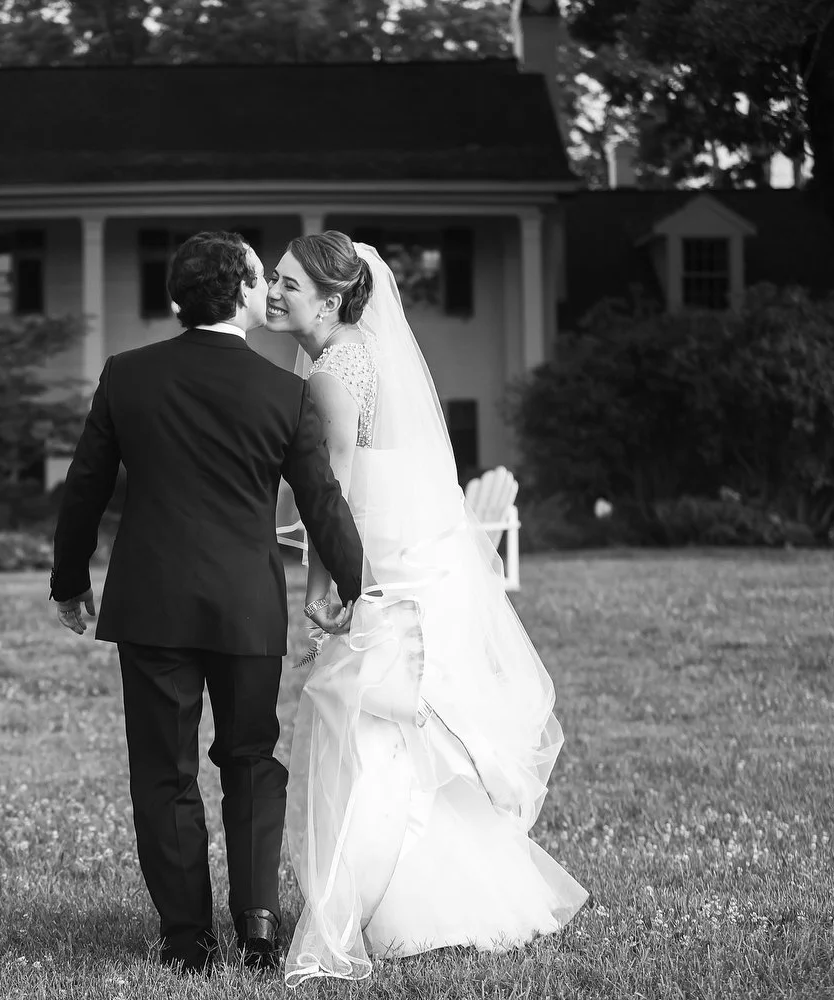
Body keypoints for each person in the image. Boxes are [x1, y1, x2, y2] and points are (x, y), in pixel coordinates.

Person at [264, 231, 588, 986]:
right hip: (406, 567)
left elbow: (329, 495)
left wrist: (319, 594)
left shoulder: (335, 372)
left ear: (332, 297)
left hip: (378, 581)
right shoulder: (359, 358)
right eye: (273, 280)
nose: (273, 294)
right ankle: (442, 902)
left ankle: (375, 910)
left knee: (372, 741)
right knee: (403, 744)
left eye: (286, 283)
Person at [49, 231, 364, 975]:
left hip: (151, 605)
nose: (269, 292)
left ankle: (185, 941)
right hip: (247, 608)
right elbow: (322, 501)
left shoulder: (127, 375)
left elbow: (84, 488)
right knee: (252, 760)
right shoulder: (282, 391)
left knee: (164, 772)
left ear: (177, 300)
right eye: (264, 281)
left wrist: (70, 581)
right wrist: (357, 585)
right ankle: (257, 928)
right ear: (247, 293)